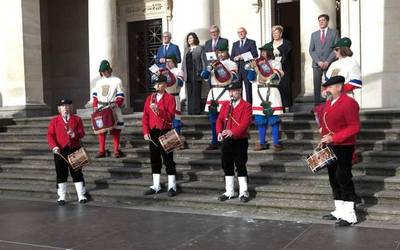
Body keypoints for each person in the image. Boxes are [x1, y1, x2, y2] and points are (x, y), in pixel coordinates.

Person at [319, 75, 360, 227]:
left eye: (329, 87)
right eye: (326, 87)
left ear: (339, 87)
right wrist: (323, 137)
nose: (326, 90)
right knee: (333, 178)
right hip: (331, 144)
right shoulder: (329, 103)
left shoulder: (349, 103)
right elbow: (326, 123)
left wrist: (335, 137)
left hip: (344, 145)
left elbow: (354, 127)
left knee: (343, 177)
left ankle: (350, 215)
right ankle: (339, 210)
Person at [216, 80, 252, 203]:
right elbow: (220, 119)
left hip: (240, 139)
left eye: (233, 91)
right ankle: (229, 191)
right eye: (230, 91)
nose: (231, 94)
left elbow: (245, 123)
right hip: (227, 140)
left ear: (240, 91)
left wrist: (233, 132)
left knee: (240, 164)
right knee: (227, 164)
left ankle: (244, 192)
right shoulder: (226, 105)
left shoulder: (246, 105)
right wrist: (219, 132)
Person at [142, 75, 178, 197]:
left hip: (166, 130)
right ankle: (156, 185)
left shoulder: (170, 98)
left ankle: (172, 186)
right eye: (155, 83)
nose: (156, 86)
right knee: (154, 159)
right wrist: (146, 132)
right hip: (153, 131)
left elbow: (171, 117)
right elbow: (145, 116)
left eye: (159, 83)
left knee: (169, 160)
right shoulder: (149, 98)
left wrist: (159, 111)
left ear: (165, 85)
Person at [47, 98, 87, 205]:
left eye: (67, 106)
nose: (65, 108)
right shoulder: (54, 121)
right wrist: (54, 147)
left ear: (71, 107)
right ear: (59, 109)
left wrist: (74, 134)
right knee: (61, 174)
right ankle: (62, 196)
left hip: (75, 148)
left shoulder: (77, 119)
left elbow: (82, 133)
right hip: (60, 150)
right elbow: (50, 135)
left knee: (77, 172)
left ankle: (81, 195)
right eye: (63, 106)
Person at [247, 43, 284, 151]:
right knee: (260, 119)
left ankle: (276, 143)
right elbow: (251, 78)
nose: (263, 53)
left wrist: (261, 66)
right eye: (262, 51)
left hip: (271, 91)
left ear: (270, 52)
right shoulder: (256, 64)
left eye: (265, 51)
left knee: (273, 119)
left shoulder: (276, 63)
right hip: (259, 92)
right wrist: (251, 68)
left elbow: (274, 78)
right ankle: (262, 142)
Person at [201, 41, 238, 150]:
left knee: (225, 118)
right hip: (213, 93)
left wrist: (219, 66)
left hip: (225, 93)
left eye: (222, 52)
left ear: (227, 52)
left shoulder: (232, 63)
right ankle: (214, 140)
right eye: (219, 52)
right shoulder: (212, 64)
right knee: (213, 119)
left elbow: (233, 78)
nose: (220, 54)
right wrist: (209, 68)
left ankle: (226, 140)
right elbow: (204, 76)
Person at [92, 60, 125, 158]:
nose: (105, 72)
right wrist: (94, 106)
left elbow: (120, 94)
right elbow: (95, 96)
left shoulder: (117, 80)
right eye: (103, 71)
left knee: (116, 129)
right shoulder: (98, 82)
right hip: (101, 107)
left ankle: (115, 150)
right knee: (101, 129)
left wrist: (117, 103)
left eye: (106, 70)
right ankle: (101, 150)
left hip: (113, 107)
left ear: (110, 70)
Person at [309, 14, 339, 105]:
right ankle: (316, 106)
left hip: (329, 63)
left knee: (330, 85)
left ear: (327, 21)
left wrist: (327, 61)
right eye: (320, 20)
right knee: (317, 85)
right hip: (316, 64)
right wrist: (318, 61)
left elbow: (336, 48)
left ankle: (330, 104)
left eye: (323, 20)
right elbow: (311, 50)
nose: (321, 22)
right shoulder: (314, 34)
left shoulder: (334, 32)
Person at [156, 54, 184, 133]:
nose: (167, 64)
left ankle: (176, 141)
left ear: (174, 62)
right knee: (164, 118)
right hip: (164, 97)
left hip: (174, 96)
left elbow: (180, 83)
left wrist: (170, 75)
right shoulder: (163, 71)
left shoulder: (179, 71)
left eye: (169, 61)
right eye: (166, 62)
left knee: (175, 120)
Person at [230, 27, 258, 104]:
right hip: (237, 69)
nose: (241, 33)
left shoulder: (251, 42)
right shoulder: (235, 44)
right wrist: (235, 58)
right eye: (239, 32)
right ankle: (239, 106)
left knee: (248, 89)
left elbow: (255, 54)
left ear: (245, 33)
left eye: (242, 32)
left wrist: (242, 56)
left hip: (247, 68)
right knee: (238, 89)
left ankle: (249, 107)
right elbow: (231, 56)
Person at [181, 32, 207, 115]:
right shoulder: (186, 49)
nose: (189, 40)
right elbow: (183, 61)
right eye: (188, 38)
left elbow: (204, 61)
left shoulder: (200, 48)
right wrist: (182, 70)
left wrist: (204, 71)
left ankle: (197, 110)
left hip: (196, 73)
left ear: (195, 39)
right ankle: (190, 110)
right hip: (188, 74)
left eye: (191, 38)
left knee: (196, 91)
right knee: (190, 92)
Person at [270, 25, 293, 110]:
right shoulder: (269, 44)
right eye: (273, 33)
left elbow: (287, 54)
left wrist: (279, 52)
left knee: (285, 86)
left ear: (281, 34)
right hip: (273, 68)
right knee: (276, 86)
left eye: (277, 33)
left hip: (285, 68)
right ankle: (277, 105)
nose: (275, 35)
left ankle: (286, 106)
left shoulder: (287, 43)